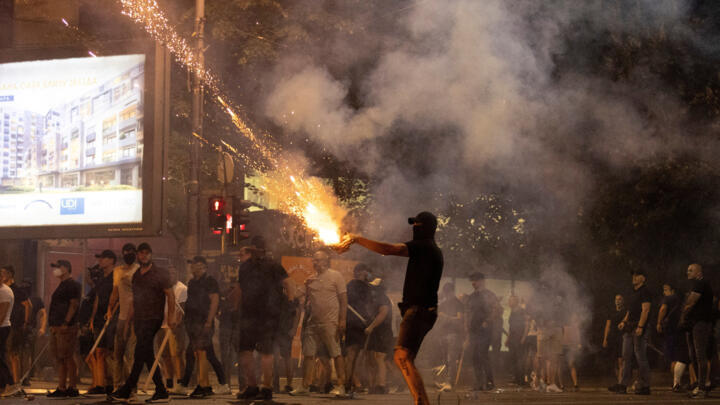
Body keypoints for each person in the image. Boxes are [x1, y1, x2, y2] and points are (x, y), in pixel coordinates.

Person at [340, 211, 443, 405]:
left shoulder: (425, 246)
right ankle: (420, 401)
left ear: (425, 228)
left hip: (419, 310)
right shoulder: (429, 249)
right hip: (422, 311)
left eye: (416, 225)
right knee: (404, 356)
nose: (413, 228)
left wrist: (357, 239)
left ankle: (422, 402)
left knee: (402, 356)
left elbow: (387, 249)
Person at [111, 243, 176, 402]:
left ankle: (127, 388)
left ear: (151, 255)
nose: (144, 256)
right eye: (141, 253)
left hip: (153, 318)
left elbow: (171, 295)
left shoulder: (160, 273)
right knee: (146, 354)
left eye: (147, 253)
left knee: (140, 352)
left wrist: (171, 317)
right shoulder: (137, 275)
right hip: (139, 318)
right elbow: (134, 299)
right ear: (138, 255)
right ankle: (161, 390)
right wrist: (128, 321)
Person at [235, 237, 292, 401]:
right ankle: (252, 386)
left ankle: (266, 387)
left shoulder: (273, 265)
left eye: (255, 250)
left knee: (266, 351)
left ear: (260, 250)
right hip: (250, 314)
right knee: (245, 351)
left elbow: (288, 283)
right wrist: (235, 307)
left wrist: (290, 303)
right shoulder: (245, 267)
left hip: (267, 315)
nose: (254, 253)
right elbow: (240, 287)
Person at [290, 250, 348, 397]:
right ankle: (305, 385)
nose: (315, 263)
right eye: (314, 260)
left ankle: (341, 385)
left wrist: (342, 320)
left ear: (326, 261)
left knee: (336, 353)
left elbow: (343, 300)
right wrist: (301, 285)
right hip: (312, 322)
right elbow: (298, 296)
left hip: (330, 322)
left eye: (318, 260)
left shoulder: (336, 276)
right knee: (308, 354)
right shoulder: (310, 279)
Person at [183, 256, 223, 398]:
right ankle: (205, 385)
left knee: (202, 353)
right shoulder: (192, 282)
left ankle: (203, 385)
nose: (195, 268)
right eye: (193, 265)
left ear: (204, 267)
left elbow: (214, 301)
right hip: (192, 323)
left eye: (198, 265)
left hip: (203, 322)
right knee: (198, 353)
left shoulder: (210, 281)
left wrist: (208, 321)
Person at [613, 269, 652, 395]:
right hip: (629, 328)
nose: (634, 277)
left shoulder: (645, 292)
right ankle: (623, 385)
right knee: (626, 357)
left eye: (637, 275)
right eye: (633, 275)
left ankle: (645, 385)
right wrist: (623, 322)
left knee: (640, 357)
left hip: (638, 328)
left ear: (643, 278)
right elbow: (629, 311)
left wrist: (640, 327)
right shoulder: (633, 292)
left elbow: (645, 310)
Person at [46, 260, 81, 398]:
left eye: (57, 267)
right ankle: (61, 387)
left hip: (65, 327)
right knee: (60, 357)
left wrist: (66, 322)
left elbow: (74, 304)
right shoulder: (62, 285)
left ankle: (72, 387)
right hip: (56, 326)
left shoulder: (72, 285)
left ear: (66, 268)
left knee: (67, 356)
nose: (55, 270)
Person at [107, 243, 139, 391]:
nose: (128, 254)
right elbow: (114, 292)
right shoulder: (117, 271)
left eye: (131, 251)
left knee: (131, 354)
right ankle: (117, 386)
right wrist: (109, 308)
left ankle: (131, 387)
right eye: (126, 251)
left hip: (136, 318)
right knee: (117, 353)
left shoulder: (139, 270)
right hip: (121, 317)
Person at [679, 263, 714, 399]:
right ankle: (699, 385)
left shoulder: (701, 283)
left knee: (700, 355)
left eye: (690, 270)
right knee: (693, 355)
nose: (687, 272)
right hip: (694, 324)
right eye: (687, 270)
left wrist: (683, 315)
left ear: (699, 272)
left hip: (700, 323)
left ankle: (702, 388)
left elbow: (691, 301)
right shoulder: (697, 284)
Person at [87, 250, 117, 395]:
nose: (101, 261)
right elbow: (97, 299)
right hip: (99, 318)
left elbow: (117, 295)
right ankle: (100, 384)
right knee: (98, 351)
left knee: (111, 352)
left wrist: (111, 310)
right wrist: (93, 317)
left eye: (103, 258)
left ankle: (113, 382)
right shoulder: (101, 279)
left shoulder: (116, 276)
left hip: (112, 318)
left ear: (111, 260)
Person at [465, 272, 498, 391]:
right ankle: (479, 383)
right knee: (474, 356)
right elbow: (468, 313)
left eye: (475, 280)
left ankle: (489, 382)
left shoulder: (489, 295)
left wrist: (487, 322)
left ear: (482, 281)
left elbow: (496, 310)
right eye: (472, 281)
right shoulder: (472, 296)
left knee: (482, 354)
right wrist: (467, 328)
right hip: (473, 331)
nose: (473, 283)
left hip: (485, 330)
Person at [344, 263, 373, 392]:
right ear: (360, 272)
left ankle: (351, 384)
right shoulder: (362, 287)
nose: (368, 274)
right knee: (354, 354)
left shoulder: (350, 285)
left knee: (355, 355)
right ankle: (349, 383)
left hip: (355, 323)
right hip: (357, 323)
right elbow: (368, 305)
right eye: (366, 271)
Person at [158, 264, 187, 393]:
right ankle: (169, 382)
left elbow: (182, 308)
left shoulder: (182, 288)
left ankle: (180, 382)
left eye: (173, 273)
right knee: (165, 355)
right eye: (168, 273)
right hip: (162, 325)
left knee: (177, 354)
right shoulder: (163, 288)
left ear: (178, 274)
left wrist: (176, 322)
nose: (171, 276)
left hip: (175, 326)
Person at [3, 266, 30, 385]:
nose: (1, 276)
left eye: (3, 273)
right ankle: (8, 380)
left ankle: (16, 381)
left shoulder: (16, 290)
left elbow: (28, 305)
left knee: (13, 353)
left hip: (14, 324)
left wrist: (25, 322)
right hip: (6, 324)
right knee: (6, 354)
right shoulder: (4, 288)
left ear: (10, 274)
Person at [366, 278, 393, 394]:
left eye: (374, 288)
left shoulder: (383, 299)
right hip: (376, 333)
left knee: (379, 358)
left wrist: (371, 327)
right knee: (372, 358)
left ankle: (381, 385)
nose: (371, 290)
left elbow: (383, 314)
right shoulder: (375, 299)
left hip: (383, 333)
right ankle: (373, 384)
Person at [435, 282, 464, 391]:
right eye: (445, 292)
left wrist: (446, 317)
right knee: (445, 360)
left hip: (454, 334)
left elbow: (460, 319)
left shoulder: (458, 303)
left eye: (448, 292)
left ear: (452, 291)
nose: (447, 294)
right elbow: (438, 318)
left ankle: (450, 382)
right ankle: (446, 381)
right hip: (443, 334)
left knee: (451, 359)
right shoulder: (443, 304)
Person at [22, 282, 46, 386]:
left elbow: (43, 313)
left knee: (26, 354)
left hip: (28, 328)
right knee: (19, 354)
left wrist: (42, 328)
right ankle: (22, 377)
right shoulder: (18, 295)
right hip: (20, 327)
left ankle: (25, 377)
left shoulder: (35, 299)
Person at [604, 294, 625, 391]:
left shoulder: (625, 312)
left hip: (621, 338)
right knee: (614, 362)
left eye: (620, 299)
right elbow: (608, 325)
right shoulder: (611, 312)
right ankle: (618, 382)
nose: (618, 301)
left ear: (623, 301)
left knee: (621, 361)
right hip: (613, 338)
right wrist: (605, 339)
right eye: (616, 299)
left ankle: (621, 383)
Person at [0, 267, 15, 395]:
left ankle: (9, 383)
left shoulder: (5, 291)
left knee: (1, 357)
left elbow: (2, 314)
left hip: (2, 327)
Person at [507, 295, 526, 386]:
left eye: (511, 301)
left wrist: (523, 337)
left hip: (519, 337)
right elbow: (511, 327)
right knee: (513, 359)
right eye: (509, 300)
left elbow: (526, 325)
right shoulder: (512, 312)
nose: (509, 302)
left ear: (516, 301)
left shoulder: (521, 311)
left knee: (520, 359)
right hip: (513, 338)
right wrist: (508, 338)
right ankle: (516, 378)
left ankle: (521, 379)